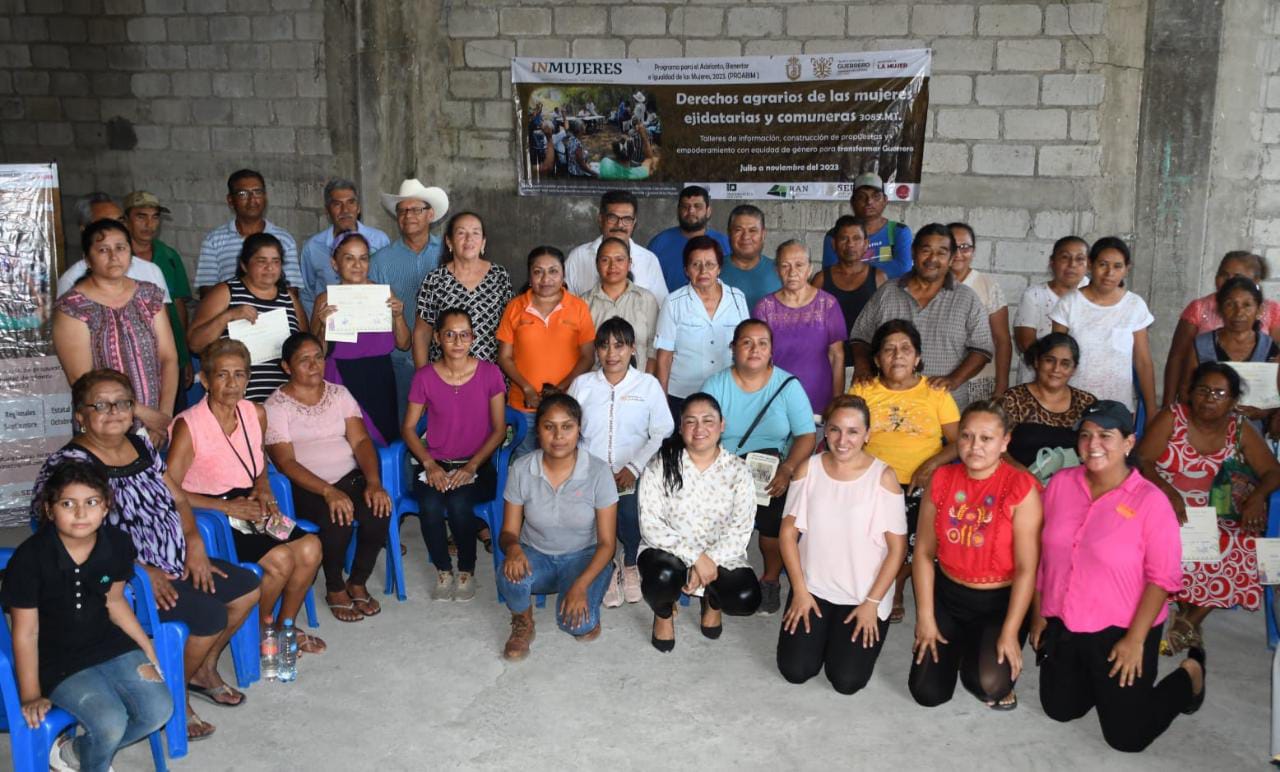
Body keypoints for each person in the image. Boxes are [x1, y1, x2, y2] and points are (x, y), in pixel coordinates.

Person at [31, 369, 262, 741]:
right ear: (80, 415)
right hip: (119, 581)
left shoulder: (139, 445)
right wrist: (140, 570)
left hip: (175, 559)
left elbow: (179, 497)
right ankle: (175, 696)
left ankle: (199, 671)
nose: (114, 412)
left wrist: (193, 541)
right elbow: (62, 538)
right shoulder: (69, 466)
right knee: (208, 615)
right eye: (101, 405)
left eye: (123, 403)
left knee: (247, 588)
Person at [1033, 400, 1205, 752]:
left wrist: (1135, 641)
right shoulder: (1061, 485)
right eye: (1085, 435)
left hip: (1122, 628)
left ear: (1129, 442)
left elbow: (1163, 579)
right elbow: (1044, 555)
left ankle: (1190, 676)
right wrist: (1039, 614)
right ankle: (1102, 686)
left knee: (1127, 738)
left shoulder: (1151, 502)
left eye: (1106, 435)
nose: (1093, 444)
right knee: (1060, 710)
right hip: (1065, 621)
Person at [4, 461, 173, 771]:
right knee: (109, 722)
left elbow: (116, 602)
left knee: (159, 709)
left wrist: (146, 649)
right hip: (55, 658)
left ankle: (74, 754)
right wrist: (30, 694)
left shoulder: (118, 544)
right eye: (68, 504)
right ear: (49, 509)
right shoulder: (30, 559)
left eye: (91, 502)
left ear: (106, 507)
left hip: (108, 642)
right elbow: (25, 632)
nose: (81, 514)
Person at [166, 339, 325, 653]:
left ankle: (284, 626)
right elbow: (168, 490)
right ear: (205, 380)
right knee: (280, 560)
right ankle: (259, 631)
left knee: (310, 548)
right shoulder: (190, 425)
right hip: (211, 512)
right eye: (222, 375)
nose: (232, 383)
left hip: (250, 505)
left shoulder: (255, 413)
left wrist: (263, 484)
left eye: (239, 375)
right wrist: (226, 507)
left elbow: (258, 462)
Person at [1137, 362, 1280, 654]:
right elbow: (1142, 461)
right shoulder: (1172, 418)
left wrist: (1256, 498)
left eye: (1219, 392)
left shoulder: (1239, 428)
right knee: (1165, 540)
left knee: (1247, 543)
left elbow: (1273, 471)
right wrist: (1169, 492)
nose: (1210, 398)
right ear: (1190, 393)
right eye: (1203, 390)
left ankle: (1188, 621)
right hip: (1163, 503)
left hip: (1215, 511)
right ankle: (1188, 622)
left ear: (1232, 400)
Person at [909, 402, 1043, 711]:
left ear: (1005, 442)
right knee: (928, 694)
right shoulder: (942, 479)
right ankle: (963, 644)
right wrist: (926, 618)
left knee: (988, 685)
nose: (974, 446)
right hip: (949, 595)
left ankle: (979, 648)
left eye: (986, 438)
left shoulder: (1021, 487)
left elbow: (1027, 568)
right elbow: (925, 553)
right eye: (967, 436)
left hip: (998, 603)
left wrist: (1010, 632)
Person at [776, 395, 907, 694]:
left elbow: (897, 550)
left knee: (846, 681)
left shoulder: (884, 478)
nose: (842, 439)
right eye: (834, 430)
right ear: (826, 431)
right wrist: (799, 591)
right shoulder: (809, 469)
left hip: (862, 596)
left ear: (867, 435)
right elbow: (788, 534)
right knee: (796, 671)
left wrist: (872, 604)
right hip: (813, 589)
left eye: (852, 431)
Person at [264, 333, 392, 623]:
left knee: (378, 511)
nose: (314, 365)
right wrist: (327, 491)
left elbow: (360, 442)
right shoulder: (276, 407)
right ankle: (334, 586)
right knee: (338, 521)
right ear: (287, 366)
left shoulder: (339, 394)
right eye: (303, 360)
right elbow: (285, 462)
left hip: (348, 476)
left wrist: (373, 482)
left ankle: (357, 581)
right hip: (306, 485)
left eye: (318, 357)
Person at [702, 319, 817, 616]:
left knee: (775, 525)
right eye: (746, 342)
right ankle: (713, 573)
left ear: (771, 351)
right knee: (715, 523)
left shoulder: (788, 385)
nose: (755, 349)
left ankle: (770, 579)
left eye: (762, 343)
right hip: (725, 464)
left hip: (774, 467)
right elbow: (701, 432)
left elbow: (806, 434)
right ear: (733, 348)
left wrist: (789, 468)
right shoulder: (716, 385)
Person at [849, 319, 961, 623]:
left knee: (913, 540)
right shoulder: (864, 390)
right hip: (873, 481)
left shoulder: (936, 393)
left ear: (917, 358)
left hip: (919, 483)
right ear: (876, 360)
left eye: (905, 349)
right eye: (888, 350)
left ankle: (897, 585)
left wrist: (931, 465)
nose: (897, 355)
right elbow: (850, 434)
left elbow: (958, 442)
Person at [496, 394, 619, 659]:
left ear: (579, 430)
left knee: (579, 627)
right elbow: (508, 531)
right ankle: (523, 620)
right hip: (536, 554)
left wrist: (581, 585)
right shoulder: (521, 468)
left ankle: (596, 581)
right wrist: (514, 548)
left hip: (583, 556)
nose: (558, 435)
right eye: (549, 426)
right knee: (509, 574)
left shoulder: (598, 472)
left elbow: (608, 543)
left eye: (567, 426)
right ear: (537, 431)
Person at [638, 392, 761, 651]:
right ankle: (662, 614)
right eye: (691, 421)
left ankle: (712, 600)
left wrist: (710, 560)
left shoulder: (738, 470)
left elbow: (741, 530)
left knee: (745, 596)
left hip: (721, 555)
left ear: (722, 425)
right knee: (661, 577)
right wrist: (696, 557)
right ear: (681, 427)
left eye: (708, 420)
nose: (699, 429)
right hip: (668, 551)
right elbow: (650, 526)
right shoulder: (662, 465)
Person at [402, 308, 507, 602]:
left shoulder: (490, 373)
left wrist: (472, 467)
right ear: (438, 338)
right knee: (431, 506)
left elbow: (499, 429)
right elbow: (409, 428)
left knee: (461, 504)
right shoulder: (424, 377)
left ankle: (466, 571)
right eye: (450, 334)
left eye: (464, 335)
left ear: (473, 338)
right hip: (436, 464)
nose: (458, 341)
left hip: (477, 466)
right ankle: (443, 570)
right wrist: (429, 464)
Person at [570, 317, 674, 608]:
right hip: (591, 470)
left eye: (619, 345)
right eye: (603, 346)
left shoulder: (647, 385)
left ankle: (630, 562)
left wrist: (634, 467)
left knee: (629, 514)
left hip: (633, 471)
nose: (611, 353)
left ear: (632, 348)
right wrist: (584, 468)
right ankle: (606, 566)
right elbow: (571, 430)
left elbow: (662, 431)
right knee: (586, 519)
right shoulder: (583, 385)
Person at [52, 218, 179, 447]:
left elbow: (169, 358)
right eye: (103, 250)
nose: (113, 256)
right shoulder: (73, 306)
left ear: (131, 253)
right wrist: (142, 413)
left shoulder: (149, 295)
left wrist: (162, 416)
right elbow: (83, 381)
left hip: (154, 426)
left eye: (120, 248)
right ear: (87, 259)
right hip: (104, 423)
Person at [850, 222, 994, 410]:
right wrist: (862, 367)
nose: (932, 258)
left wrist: (953, 380)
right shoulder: (887, 292)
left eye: (942, 252)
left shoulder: (967, 299)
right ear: (913, 252)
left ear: (951, 258)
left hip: (944, 408)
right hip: (887, 406)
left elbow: (982, 350)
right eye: (925, 250)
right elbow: (860, 337)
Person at [310, 232, 409, 446]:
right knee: (343, 445)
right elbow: (315, 354)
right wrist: (324, 326)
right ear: (334, 264)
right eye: (349, 258)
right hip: (340, 380)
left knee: (383, 442)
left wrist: (399, 316)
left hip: (379, 380)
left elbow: (404, 344)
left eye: (363, 258)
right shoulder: (325, 300)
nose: (357, 265)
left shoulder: (383, 295)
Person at [496, 246, 595, 458]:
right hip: (524, 405)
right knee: (525, 465)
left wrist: (561, 389)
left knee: (563, 464)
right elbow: (504, 357)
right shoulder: (515, 307)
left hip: (567, 404)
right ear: (530, 276)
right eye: (538, 271)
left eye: (553, 271)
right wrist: (527, 389)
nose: (545, 278)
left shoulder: (579, 308)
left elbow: (588, 357)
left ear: (563, 275)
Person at [187, 232, 307, 403]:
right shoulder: (225, 292)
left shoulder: (289, 298)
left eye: (276, 261)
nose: (270, 267)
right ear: (244, 265)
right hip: (234, 400)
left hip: (282, 403)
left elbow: (304, 348)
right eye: (261, 261)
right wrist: (228, 316)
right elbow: (195, 343)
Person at [1049, 236, 1157, 416]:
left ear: (1126, 269)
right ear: (1090, 266)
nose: (1109, 273)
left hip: (1118, 408)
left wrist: (1151, 410)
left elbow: (1143, 362)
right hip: (1072, 406)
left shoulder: (1134, 305)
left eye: (1117, 266)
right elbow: (1055, 358)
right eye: (1103, 264)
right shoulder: (1069, 304)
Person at [370, 178, 448, 420]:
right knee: (405, 427)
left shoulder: (448, 255)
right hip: (398, 361)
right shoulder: (380, 261)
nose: (408, 216)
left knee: (444, 425)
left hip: (444, 359)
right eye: (402, 210)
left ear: (431, 214)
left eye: (416, 209)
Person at [1163, 251, 1280, 408]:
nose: (1228, 281)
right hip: (1206, 409)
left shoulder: (1271, 312)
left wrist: (1268, 412)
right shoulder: (1199, 310)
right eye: (1223, 274)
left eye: (1237, 276)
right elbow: (1177, 358)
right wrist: (1168, 405)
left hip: (1254, 414)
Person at [653, 236, 751, 420]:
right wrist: (662, 402)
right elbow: (664, 357)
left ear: (719, 268)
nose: (703, 271)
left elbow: (746, 346)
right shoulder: (673, 303)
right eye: (696, 265)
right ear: (686, 270)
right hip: (682, 395)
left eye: (710, 264)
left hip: (727, 393)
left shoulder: (737, 299)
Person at [1175, 277, 1280, 432]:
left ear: (1259, 311)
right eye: (1230, 304)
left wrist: (1264, 412)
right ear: (1220, 309)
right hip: (1205, 431)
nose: (1239, 312)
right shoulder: (1201, 345)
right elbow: (1185, 389)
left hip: (1254, 433)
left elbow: (1276, 397)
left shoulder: (1270, 349)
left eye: (1247, 305)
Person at [754, 240, 846, 413]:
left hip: (819, 400)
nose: (792, 272)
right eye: (785, 266)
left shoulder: (827, 304)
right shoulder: (764, 307)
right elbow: (758, 360)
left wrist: (837, 402)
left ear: (810, 269)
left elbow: (837, 356)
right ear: (776, 270)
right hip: (776, 399)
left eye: (799, 265)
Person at [412, 211, 513, 366]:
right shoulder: (435, 280)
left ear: (483, 242)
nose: (469, 239)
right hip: (445, 375)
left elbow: (510, 330)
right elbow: (422, 334)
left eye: (475, 233)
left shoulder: (499, 276)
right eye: (461, 233)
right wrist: (423, 378)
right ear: (449, 241)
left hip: (490, 375)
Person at [122, 191, 194, 407]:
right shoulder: (117, 259)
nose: (149, 224)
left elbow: (179, 307)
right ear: (125, 220)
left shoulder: (169, 257)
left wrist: (184, 355)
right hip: (131, 357)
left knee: (172, 414)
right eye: (141, 216)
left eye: (154, 217)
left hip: (169, 356)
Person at [999, 333, 1097, 469]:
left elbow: (1095, 447)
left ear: (1073, 369)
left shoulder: (1086, 403)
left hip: (1071, 484)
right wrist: (1024, 477)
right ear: (1037, 362)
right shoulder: (1014, 399)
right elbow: (996, 447)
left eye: (1065, 363)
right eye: (1049, 360)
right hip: (1021, 482)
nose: (1056, 369)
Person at [194, 169, 301, 293]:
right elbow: (207, 291)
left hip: (273, 310)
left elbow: (291, 290)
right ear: (230, 200)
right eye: (243, 194)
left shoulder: (284, 239)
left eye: (257, 192)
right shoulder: (214, 240)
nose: (252, 199)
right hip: (228, 310)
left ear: (265, 198)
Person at [58, 193, 174, 306]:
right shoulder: (71, 281)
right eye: (106, 223)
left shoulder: (151, 270)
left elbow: (163, 322)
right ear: (85, 230)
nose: (118, 228)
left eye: (120, 220)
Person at [298, 178, 391, 313]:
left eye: (351, 202)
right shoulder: (313, 247)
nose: (345, 210)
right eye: (337, 204)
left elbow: (386, 285)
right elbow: (307, 294)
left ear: (358, 207)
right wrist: (316, 328)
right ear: (327, 210)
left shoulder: (379, 240)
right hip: (332, 326)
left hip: (373, 320)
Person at [565, 190, 668, 304]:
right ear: (600, 219)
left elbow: (660, 306)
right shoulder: (578, 257)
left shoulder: (649, 260)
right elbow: (566, 306)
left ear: (634, 223)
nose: (619, 225)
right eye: (612, 218)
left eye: (627, 219)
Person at [811, 215, 887, 366]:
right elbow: (811, 324)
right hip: (828, 361)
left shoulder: (878, 278)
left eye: (856, 238)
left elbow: (884, 324)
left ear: (866, 244)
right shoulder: (821, 280)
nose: (850, 244)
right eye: (844, 239)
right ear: (834, 244)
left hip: (867, 364)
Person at [1013, 236, 1089, 385]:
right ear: (1052, 261)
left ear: (1089, 264)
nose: (1072, 264)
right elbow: (1025, 343)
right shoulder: (1034, 295)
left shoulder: (1096, 296)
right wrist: (1056, 369)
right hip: (1040, 381)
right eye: (1065, 257)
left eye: (1080, 259)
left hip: (1083, 380)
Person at [948, 223, 1010, 399]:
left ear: (973, 251)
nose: (958, 254)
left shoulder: (987, 286)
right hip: (940, 377)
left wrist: (1001, 387)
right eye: (952, 247)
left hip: (978, 381)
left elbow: (1002, 340)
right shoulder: (930, 285)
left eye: (965, 247)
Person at [582, 237, 660, 372]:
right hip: (596, 385)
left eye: (619, 259)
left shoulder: (646, 299)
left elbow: (653, 348)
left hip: (638, 385)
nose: (612, 266)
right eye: (605, 260)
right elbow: (582, 354)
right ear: (597, 264)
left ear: (629, 263)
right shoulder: (584, 303)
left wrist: (646, 383)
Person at [821, 172, 913, 279]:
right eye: (861, 196)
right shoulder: (834, 235)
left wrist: (851, 268)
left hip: (888, 295)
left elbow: (903, 269)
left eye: (876, 196)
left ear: (885, 201)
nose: (869, 201)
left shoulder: (899, 231)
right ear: (852, 201)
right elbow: (831, 275)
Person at [647, 185, 731, 293]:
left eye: (697, 206)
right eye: (685, 206)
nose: (691, 211)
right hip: (669, 307)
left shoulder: (724, 243)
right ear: (678, 211)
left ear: (708, 211)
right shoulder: (659, 244)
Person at [719, 205, 781, 311]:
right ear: (729, 233)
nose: (746, 237)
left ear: (763, 234)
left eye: (752, 230)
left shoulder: (780, 271)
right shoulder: (712, 271)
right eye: (738, 230)